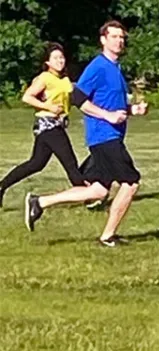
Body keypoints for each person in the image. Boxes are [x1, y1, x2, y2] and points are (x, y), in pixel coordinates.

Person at [25, 20, 148, 247]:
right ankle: (107, 236)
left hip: (112, 135)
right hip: (103, 137)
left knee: (99, 190)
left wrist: (133, 110)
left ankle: (39, 202)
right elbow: (78, 98)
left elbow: (113, 105)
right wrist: (107, 116)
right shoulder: (98, 66)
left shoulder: (116, 69)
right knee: (131, 183)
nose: (119, 41)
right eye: (113, 37)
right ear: (103, 40)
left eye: (121, 37)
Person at [0, 43, 88, 207]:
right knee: (71, 164)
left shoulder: (65, 79)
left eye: (61, 57)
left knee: (36, 163)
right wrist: (49, 107)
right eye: (55, 58)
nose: (60, 61)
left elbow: (73, 98)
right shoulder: (44, 78)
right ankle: (88, 196)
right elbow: (27, 97)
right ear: (47, 62)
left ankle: (1, 186)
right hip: (48, 125)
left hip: (57, 125)